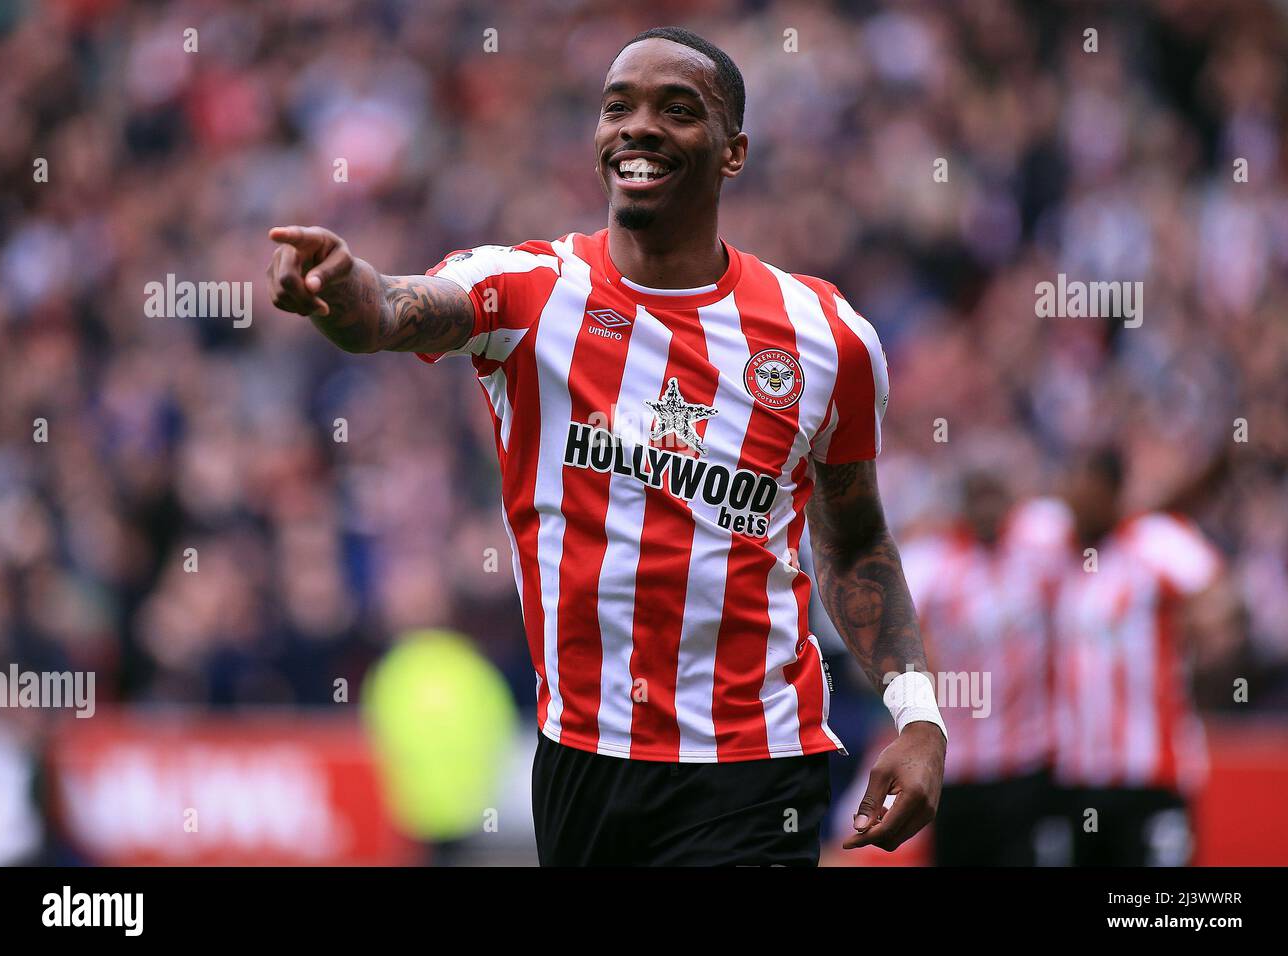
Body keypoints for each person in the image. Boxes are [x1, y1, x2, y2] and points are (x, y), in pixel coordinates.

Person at [265, 26, 945, 866]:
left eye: (677, 109)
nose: (637, 126)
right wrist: (341, 292)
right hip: (582, 765)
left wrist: (919, 715)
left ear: (733, 152)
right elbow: (394, 310)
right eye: (617, 107)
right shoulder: (528, 293)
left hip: (753, 767)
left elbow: (856, 535)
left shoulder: (823, 338)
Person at [1048, 448, 1233, 865]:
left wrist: (1203, 639)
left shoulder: (1154, 542)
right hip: (1078, 776)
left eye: (1087, 494)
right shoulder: (1061, 558)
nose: (1076, 507)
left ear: (1113, 494)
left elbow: (1218, 599)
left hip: (1151, 774)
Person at [900, 469, 1057, 865]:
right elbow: (895, 643)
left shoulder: (1037, 553)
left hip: (1027, 757)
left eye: (994, 497)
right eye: (977, 498)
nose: (987, 509)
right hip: (958, 765)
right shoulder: (932, 565)